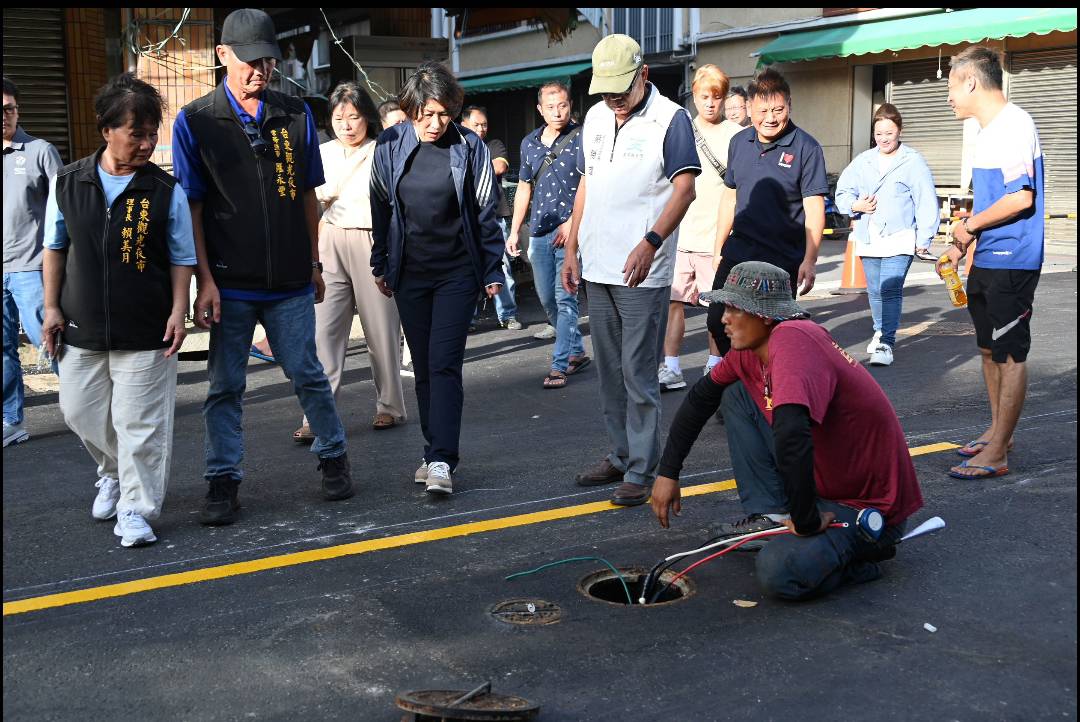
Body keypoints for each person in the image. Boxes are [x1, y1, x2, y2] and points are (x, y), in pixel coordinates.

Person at [172, 8, 354, 526]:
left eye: (269, 61)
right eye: (251, 61)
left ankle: (333, 456)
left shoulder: (293, 113)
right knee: (225, 385)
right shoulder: (196, 121)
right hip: (228, 282)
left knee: (307, 373)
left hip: (290, 278)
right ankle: (222, 480)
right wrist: (204, 281)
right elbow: (194, 208)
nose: (261, 71)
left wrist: (315, 262)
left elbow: (306, 197)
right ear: (222, 55)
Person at [651, 261, 924, 600]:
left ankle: (864, 555)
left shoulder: (794, 340)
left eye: (734, 308)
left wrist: (806, 519)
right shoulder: (751, 350)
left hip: (866, 506)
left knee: (778, 572)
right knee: (733, 392)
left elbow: (792, 434)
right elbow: (699, 399)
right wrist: (667, 473)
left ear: (764, 314)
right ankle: (776, 514)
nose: (723, 318)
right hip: (825, 484)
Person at [41, 73, 196, 548]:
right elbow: (54, 247)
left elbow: (181, 255)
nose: (147, 144)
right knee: (78, 411)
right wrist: (50, 307)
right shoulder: (67, 182)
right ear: (106, 129)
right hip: (80, 324)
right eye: (137, 133)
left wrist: (178, 310)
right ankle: (111, 471)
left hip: (146, 326)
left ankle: (136, 508)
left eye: (153, 134)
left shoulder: (165, 190)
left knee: (141, 425)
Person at [562, 34, 699, 506]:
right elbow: (586, 184)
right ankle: (620, 455)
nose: (613, 99)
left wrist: (651, 242)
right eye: (605, 90)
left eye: (621, 88)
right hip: (598, 265)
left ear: (644, 75)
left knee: (639, 373)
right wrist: (572, 248)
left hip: (644, 269)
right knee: (608, 372)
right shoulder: (597, 118)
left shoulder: (671, 119)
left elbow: (684, 191)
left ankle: (642, 468)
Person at [370, 61, 504, 495]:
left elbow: (485, 211)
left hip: (456, 271)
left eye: (443, 113)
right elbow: (380, 206)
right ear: (410, 111)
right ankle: (431, 453)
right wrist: (381, 262)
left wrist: (490, 268)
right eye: (424, 114)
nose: (434, 123)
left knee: (444, 364)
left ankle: (444, 460)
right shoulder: (389, 144)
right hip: (410, 271)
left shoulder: (470, 146)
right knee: (424, 367)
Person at [941, 45, 1044, 481]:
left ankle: (999, 449)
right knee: (987, 348)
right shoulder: (986, 132)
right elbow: (991, 202)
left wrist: (969, 228)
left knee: (1008, 353)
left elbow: (1022, 197)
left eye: (950, 84)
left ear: (971, 81)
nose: (947, 95)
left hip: (1013, 259)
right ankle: (999, 430)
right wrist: (964, 242)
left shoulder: (1014, 125)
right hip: (988, 257)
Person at [290, 81, 408, 443]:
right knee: (324, 331)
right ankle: (316, 414)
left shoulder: (383, 149)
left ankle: (390, 406)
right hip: (330, 241)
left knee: (381, 329)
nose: (346, 124)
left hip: (373, 240)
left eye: (354, 116)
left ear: (367, 118)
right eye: (339, 117)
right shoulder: (321, 152)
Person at [707, 68, 827, 362]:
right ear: (749, 108)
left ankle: (771, 389)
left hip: (782, 257)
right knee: (717, 322)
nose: (771, 118)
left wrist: (809, 260)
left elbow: (814, 207)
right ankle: (746, 384)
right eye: (763, 111)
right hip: (739, 250)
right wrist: (718, 247)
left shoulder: (806, 147)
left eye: (778, 109)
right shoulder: (739, 142)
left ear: (789, 105)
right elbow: (730, 196)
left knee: (774, 330)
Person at [659, 64, 744, 391]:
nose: (711, 103)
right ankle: (671, 367)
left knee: (715, 309)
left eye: (717, 97)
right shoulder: (681, 129)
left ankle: (714, 367)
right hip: (681, 237)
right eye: (704, 96)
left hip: (717, 240)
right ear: (693, 96)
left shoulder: (737, 136)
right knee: (673, 304)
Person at [835, 103, 938, 367]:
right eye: (879, 133)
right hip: (868, 236)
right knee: (875, 291)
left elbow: (926, 200)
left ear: (899, 131)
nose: (883, 138)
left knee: (890, 289)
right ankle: (880, 330)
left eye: (889, 133)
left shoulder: (912, 161)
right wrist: (855, 205)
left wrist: (924, 239)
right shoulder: (863, 160)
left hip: (900, 235)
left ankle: (886, 343)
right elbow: (842, 192)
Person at [508, 80, 590, 389]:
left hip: (570, 233)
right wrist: (515, 230)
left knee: (564, 298)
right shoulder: (529, 143)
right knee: (547, 300)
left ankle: (559, 365)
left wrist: (573, 225)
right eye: (551, 107)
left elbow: (589, 184)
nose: (558, 112)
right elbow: (524, 188)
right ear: (541, 110)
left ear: (571, 105)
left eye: (563, 105)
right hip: (540, 231)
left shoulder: (582, 137)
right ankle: (578, 351)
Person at [3, 77, 62, 447]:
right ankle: (11, 420)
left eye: (9, 109)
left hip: (32, 267)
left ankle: (85, 404)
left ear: (17, 110)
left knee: (53, 341)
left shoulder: (39, 151)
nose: (4, 116)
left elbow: (64, 208)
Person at [461, 105, 522, 332]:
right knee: (466, 269)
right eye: (476, 124)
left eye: (484, 124)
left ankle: (507, 314)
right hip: (465, 219)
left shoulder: (493, 145)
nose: (481, 129)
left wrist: (467, 167)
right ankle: (467, 318)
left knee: (502, 266)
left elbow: (499, 167)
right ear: (463, 124)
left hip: (494, 216)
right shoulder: (456, 146)